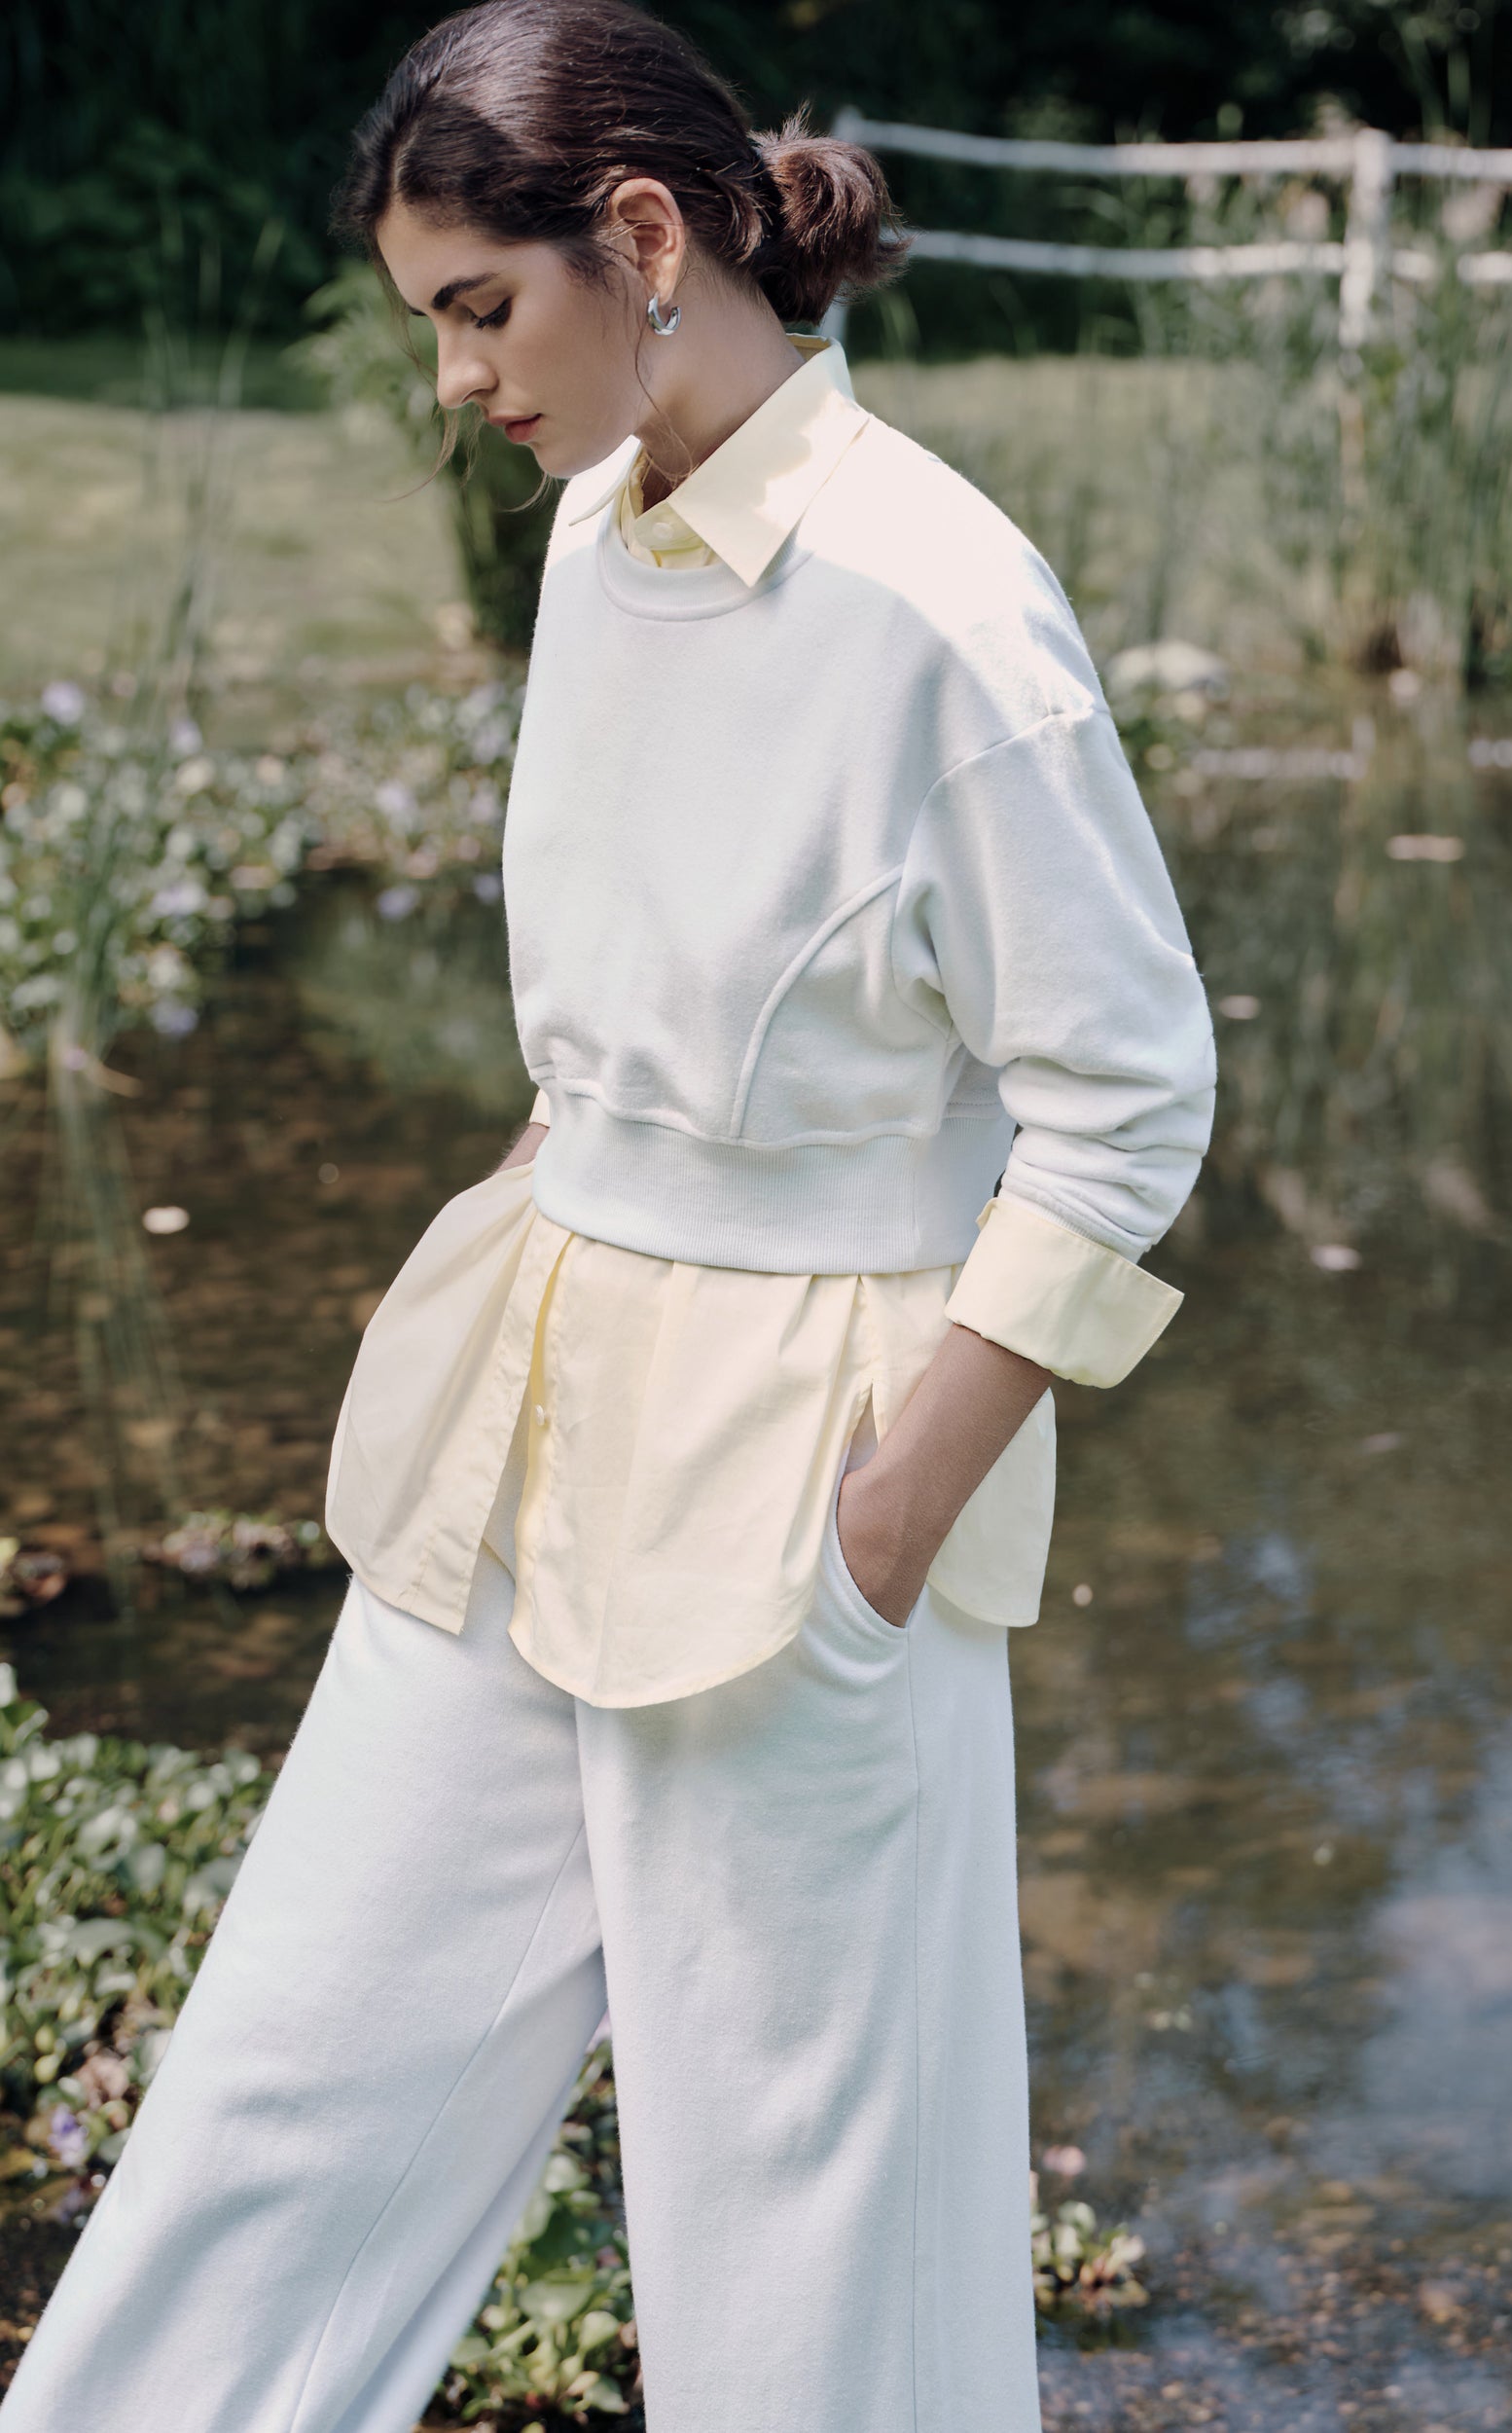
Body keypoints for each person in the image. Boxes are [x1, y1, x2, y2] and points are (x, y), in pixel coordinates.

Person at [0, 3, 1216, 2426]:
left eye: (480, 310)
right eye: (432, 324)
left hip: (799, 1497)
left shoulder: (942, 610)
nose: (456, 379)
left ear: (642, 238)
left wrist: (883, 1522)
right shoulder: (595, 525)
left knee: (803, 2246)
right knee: (281, 2093)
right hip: (525, 1420)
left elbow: (1125, 1103)